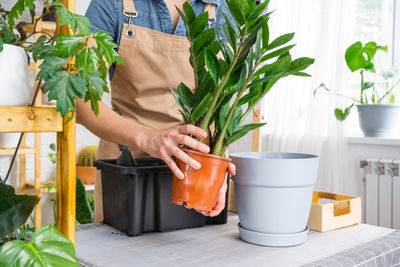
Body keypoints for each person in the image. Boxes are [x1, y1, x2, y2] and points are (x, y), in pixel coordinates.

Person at [78, 0, 236, 222]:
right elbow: (79, 100)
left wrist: (220, 162)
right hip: (128, 175)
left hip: (197, 179)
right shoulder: (112, 4)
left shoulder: (221, 8)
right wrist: (149, 138)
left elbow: (222, 100)